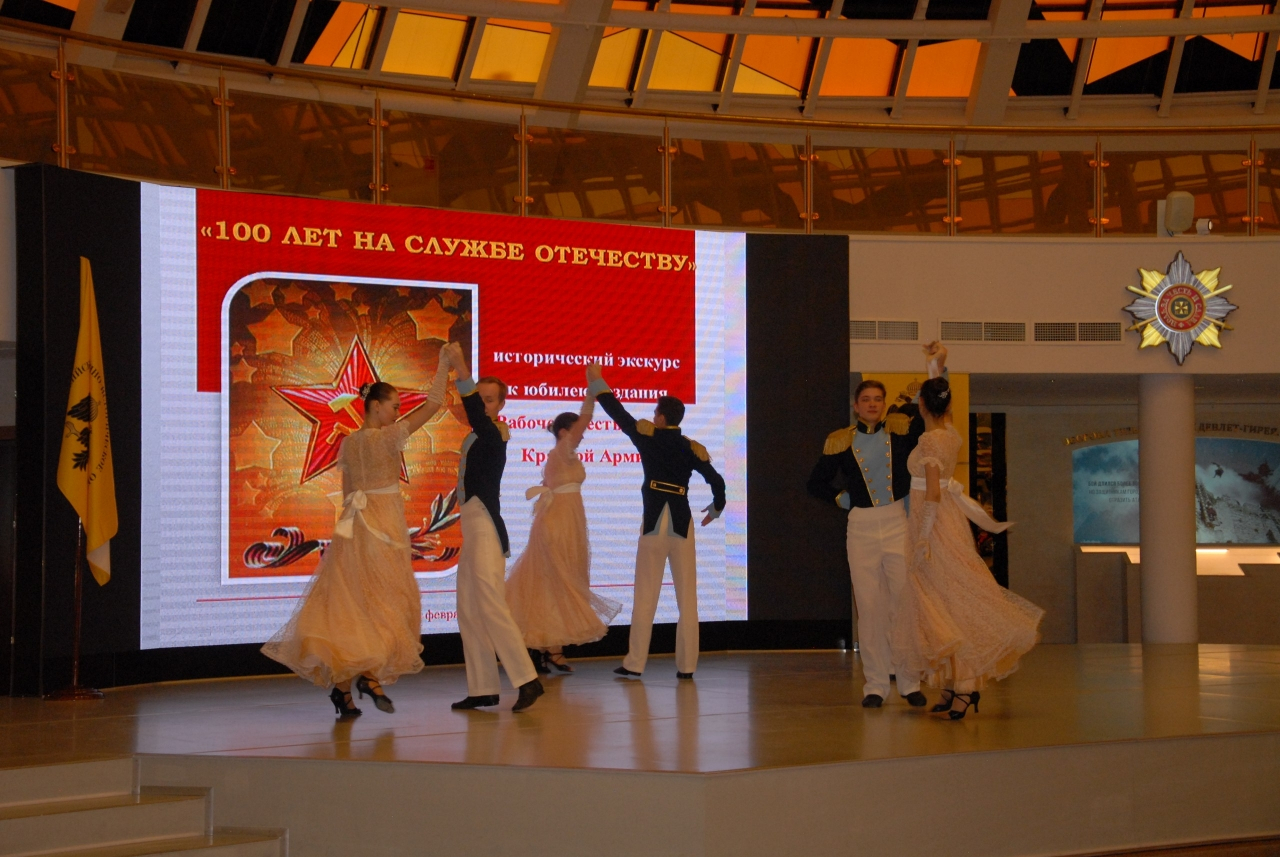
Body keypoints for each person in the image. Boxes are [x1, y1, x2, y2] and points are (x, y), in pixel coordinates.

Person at [261, 353, 453, 718]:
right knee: (383, 603)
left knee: (352, 608)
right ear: (376, 406)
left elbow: (349, 494)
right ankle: (369, 678)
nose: (397, 413)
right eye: (394, 406)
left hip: (354, 529)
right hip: (382, 529)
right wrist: (444, 364)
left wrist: (345, 535)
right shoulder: (390, 437)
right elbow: (433, 404)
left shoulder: (349, 443)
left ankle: (344, 692)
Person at [806, 342, 948, 709]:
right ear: (856, 405)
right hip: (862, 527)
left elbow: (930, 404)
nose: (872, 404)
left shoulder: (900, 429)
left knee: (903, 603)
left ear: (884, 404)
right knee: (868, 608)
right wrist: (843, 499)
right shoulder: (841, 440)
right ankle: (875, 685)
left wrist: (936, 366)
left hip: (896, 521)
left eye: (877, 399)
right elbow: (815, 483)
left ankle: (909, 682)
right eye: (866, 399)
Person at [893, 375, 1043, 720]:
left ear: (921, 405)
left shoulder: (931, 440)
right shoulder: (951, 434)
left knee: (948, 602)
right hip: (945, 520)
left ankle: (965, 686)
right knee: (945, 600)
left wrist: (923, 536)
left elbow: (932, 493)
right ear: (947, 405)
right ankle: (954, 684)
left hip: (933, 525)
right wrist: (937, 363)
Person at [586, 363, 726, 680]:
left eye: (655, 412)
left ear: (661, 418)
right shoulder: (691, 447)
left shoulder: (647, 436)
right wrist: (716, 509)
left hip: (653, 524)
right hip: (682, 525)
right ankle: (687, 666)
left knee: (645, 596)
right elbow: (717, 481)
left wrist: (597, 382)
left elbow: (618, 413)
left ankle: (635, 663)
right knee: (687, 599)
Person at [444, 342, 545, 713]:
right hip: (473, 528)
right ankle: (483, 687)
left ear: (500, 405)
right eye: (481, 398)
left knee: (489, 602)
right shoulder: (478, 435)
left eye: (489, 399)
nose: (483, 404)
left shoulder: (495, 431)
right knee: (469, 607)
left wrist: (460, 368)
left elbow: (475, 415)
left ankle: (528, 679)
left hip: (485, 525)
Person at [505, 390, 622, 672]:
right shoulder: (561, 452)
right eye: (576, 431)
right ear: (563, 432)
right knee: (554, 582)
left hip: (566, 524)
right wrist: (591, 394)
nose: (582, 436)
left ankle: (548, 648)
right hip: (558, 526)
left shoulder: (561, 456)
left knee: (550, 585)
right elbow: (584, 421)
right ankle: (547, 649)